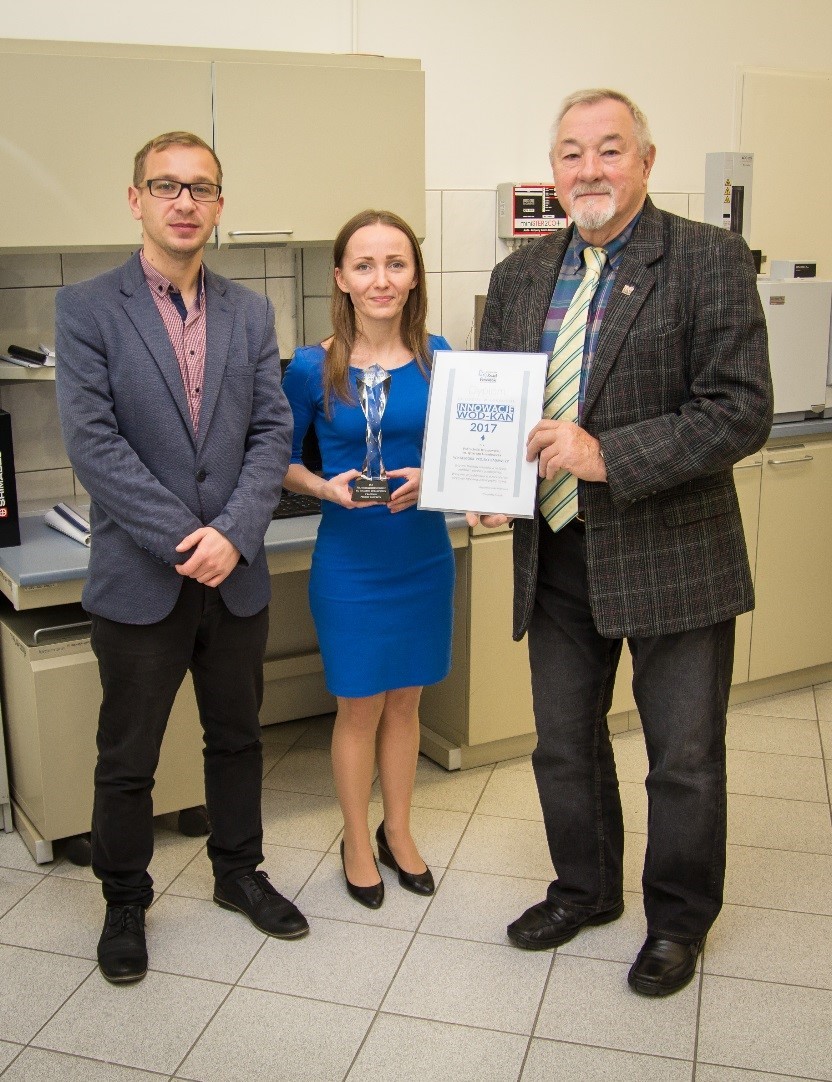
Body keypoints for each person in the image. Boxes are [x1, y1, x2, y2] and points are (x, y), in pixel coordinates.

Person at [472, 89, 772, 995]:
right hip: (558, 551)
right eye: (571, 153)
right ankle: (585, 889)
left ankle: (677, 922)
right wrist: (485, 483)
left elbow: (740, 409)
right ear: (552, 169)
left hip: (674, 551)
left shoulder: (708, 259)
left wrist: (608, 455)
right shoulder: (521, 275)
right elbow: (500, 404)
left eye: (609, 149)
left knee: (683, 759)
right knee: (563, 745)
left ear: (646, 159)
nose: (589, 169)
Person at [55, 131, 308, 985]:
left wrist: (232, 533)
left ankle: (239, 872)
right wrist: (186, 540)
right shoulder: (87, 309)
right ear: (136, 199)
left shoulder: (251, 312)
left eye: (200, 187)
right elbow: (95, 447)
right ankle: (125, 900)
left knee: (237, 739)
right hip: (140, 579)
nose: (184, 202)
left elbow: (272, 432)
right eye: (166, 186)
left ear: (220, 205)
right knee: (128, 757)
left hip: (235, 576)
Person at [281, 209, 453, 908]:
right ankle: (357, 840)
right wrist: (325, 486)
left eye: (395, 264)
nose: (381, 279)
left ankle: (397, 831)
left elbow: (465, 455)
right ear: (341, 279)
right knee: (358, 707)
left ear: (413, 277)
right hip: (351, 562)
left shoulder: (442, 358)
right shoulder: (309, 367)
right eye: (364, 265)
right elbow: (279, 462)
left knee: (407, 702)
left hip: (423, 555)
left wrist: (434, 479)